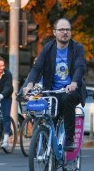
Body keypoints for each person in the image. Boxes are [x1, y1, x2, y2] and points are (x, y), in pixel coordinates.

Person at [23, 18, 87, 151]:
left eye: (67, 30)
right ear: (54, 32)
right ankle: (46, 145)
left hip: (71, 91)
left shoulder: (77, 48)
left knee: (67, 99)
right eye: (61, 29)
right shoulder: (48, 48)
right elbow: (37, 67)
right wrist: (29, 84)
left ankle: (69, 140)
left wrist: (74, 83)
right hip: (52, 91)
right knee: (47, 115)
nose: (65, 32)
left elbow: (80, 67)